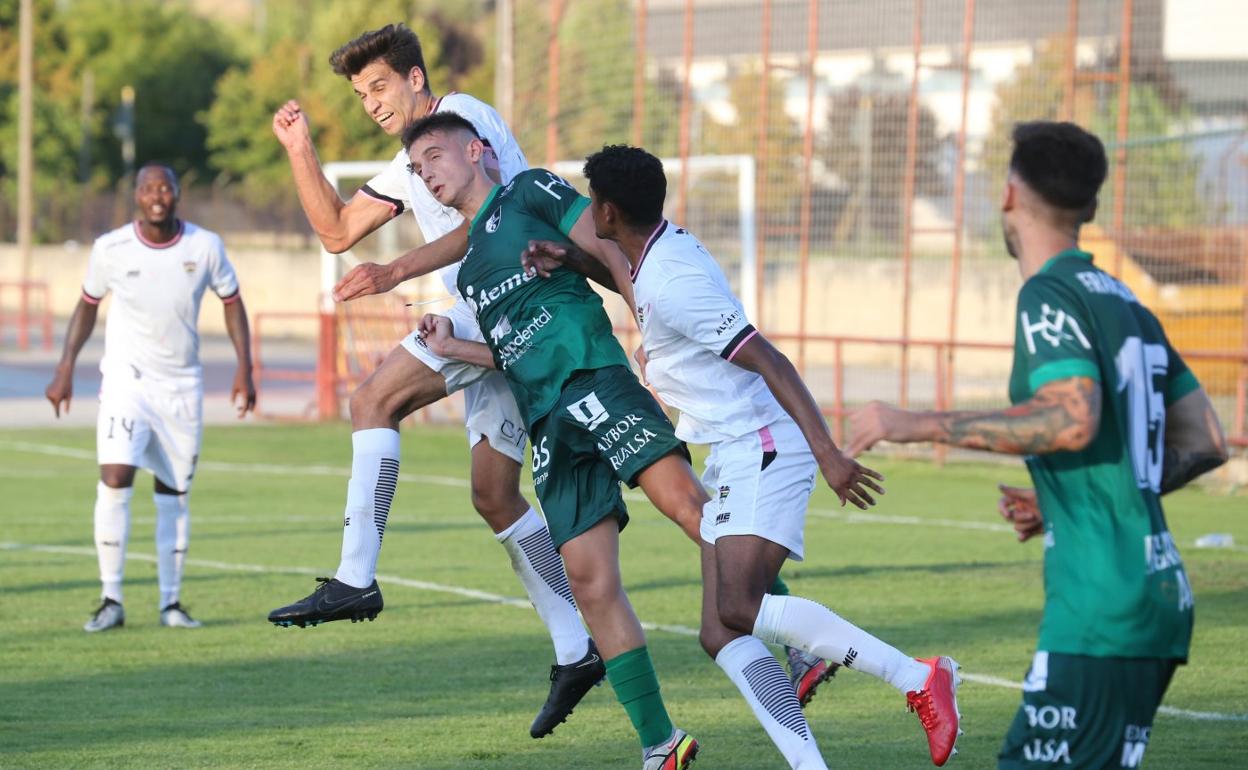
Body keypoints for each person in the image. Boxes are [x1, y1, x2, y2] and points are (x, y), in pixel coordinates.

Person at [521, 145, 964, 769]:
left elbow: (769, 360)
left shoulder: (673, 280)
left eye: (592, 200)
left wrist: (829, 453)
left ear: (608, 210)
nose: (588, 208)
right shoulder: (652, 254)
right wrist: (569, 257)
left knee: (739, 607)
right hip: (734, 449)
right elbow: (631, 285)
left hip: (764, 444)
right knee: (720, 631)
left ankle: (918, 678)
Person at [846, 121, 1229, 769]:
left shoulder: (1047, 294)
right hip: (1159, 598)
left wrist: (916, 422)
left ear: (1009, 194)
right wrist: (1070, 498)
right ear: (1091, 207)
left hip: (1102, 606)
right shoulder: (1126, 300)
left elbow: (1070, 418)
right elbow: (1207, 437)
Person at [264, 24, 599, 738]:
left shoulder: (465, 121)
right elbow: (335, 231)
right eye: (360, 95)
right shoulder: (412, 159)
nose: (372, 104)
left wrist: (393, 272)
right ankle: (578, 649)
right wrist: (300, 150)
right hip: (489, 315)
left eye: (380, 86)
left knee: (370, 399)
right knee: (494, 495)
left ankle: (356, 577)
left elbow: (490, 227)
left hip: (499, 302)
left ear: (417, 79)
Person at [405, 112, 710, 770]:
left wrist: (647, 327)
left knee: (687, 506)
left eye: (434, 155)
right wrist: (453, 346)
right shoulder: (471, 264)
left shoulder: (528, 191)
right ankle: (662, 745)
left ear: (477, 150)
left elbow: (607, 251)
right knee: (588, 581)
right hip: (546, 418)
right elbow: (515, 350)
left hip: (592, 376)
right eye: (416, 166)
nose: (425, 171)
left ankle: (791, 631)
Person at [45, 163, 256, 633]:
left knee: (173, 492)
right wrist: (64, 368)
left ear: (178, 193)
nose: (157, 195)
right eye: (147, 188)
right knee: (115, 477)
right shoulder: (111, 248)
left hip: (181, 387)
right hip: (127, 381)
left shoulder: (205, 246)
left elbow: (232, 302)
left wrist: (246, 367)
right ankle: (110, 598)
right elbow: (86, 305)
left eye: (165, 187)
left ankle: (171, 603)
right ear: (136, 196)